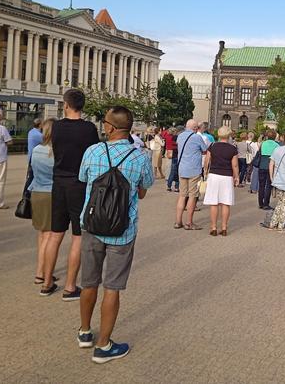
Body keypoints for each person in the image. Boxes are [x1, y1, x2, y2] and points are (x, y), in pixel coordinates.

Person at [77, 106, 153, 363]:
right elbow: (143, 191)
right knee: (112, 287)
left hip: (91, 226)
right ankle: (104, 345)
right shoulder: (140, 156)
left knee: (89, 282)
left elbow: (84, 179)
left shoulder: (93, 151)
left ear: (109, 127)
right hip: (123, 229)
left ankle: (85, 332)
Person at [42, 89, 99, 299]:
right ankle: (70, 286)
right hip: (79, 184)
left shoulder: (56, 127)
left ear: (66, 105)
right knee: (78, 236)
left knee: (55, 235)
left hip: (58, 182)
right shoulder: (89, 129)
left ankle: (47, 282)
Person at [29, 118, 56, 285]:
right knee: (50, 235)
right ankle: (42, 273)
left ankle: (41, 269)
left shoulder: (37, 149)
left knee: (42, 234)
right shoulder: (56, 152)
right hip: (51, 193)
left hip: (37, 192)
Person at [203, 126, 238, 235]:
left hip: (214, 175)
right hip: (227, 176)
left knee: (214, 202)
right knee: (225, 203)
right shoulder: (232, 148)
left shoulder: (212, 146)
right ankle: (224, 227)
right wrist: (236, 177)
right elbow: (235, 165)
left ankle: (213, 227)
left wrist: (205, 171)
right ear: (229, 135)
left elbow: (207, 161)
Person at [175, 119, 207, 230]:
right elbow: (204, 150)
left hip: (182, 169)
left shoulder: (180, 136)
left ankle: (178, 221)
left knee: (182, 195)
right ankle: (189, 222)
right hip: (194, 170)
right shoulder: (197, 137)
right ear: (195, 128)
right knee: (193, 196)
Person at [258, 129, 278, 210]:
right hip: (271, 166)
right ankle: (266, 203)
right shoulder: (276, 145)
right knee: (268, 185)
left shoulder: (263, 143)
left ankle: (260, 203)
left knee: (261, 185)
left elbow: (259, 152)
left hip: (262, 165)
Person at [165, 127, 179, 192]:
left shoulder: (167, 137)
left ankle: (169, 186)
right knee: (177, 172)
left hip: (170, 153)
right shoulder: (176, 137)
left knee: (172, 171)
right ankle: (176, 187)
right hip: (176, 154)